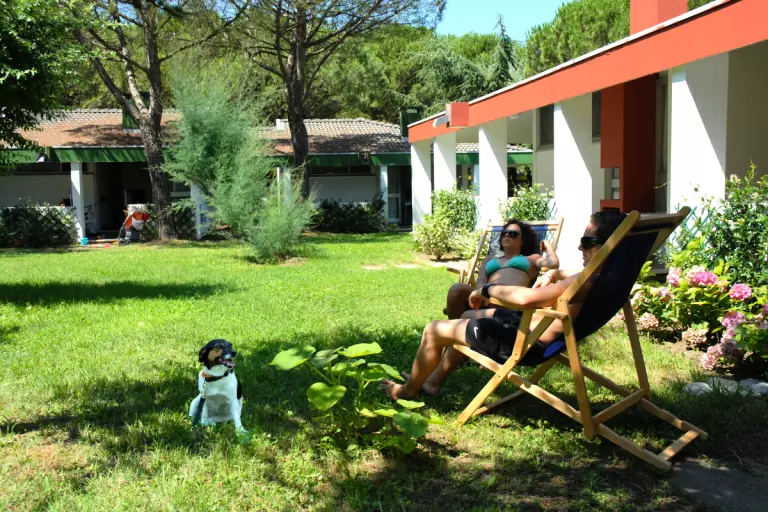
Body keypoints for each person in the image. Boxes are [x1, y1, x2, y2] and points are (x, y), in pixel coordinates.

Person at [382, 211, 627, 400]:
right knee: (465, 319)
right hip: (535, 333)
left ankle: (407, 391)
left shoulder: (583, 280)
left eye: (587, 241)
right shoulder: (605, 278)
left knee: (434, 330)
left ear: (608, 245)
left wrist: (486, 290)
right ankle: (431, 382)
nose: (580, 247)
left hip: (523, 341)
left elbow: (526, 299)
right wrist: (554, 275)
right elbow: (562, 276)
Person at [444, 219, 559, 320]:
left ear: (522, 241)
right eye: (504, 233)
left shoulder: (531, 258)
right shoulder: (489, 259)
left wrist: (548, 246)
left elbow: (553, 264)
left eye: (513, 234)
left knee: (465, 315)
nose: (507, 235)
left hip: (511, 301)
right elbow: (481, 281)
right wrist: (483, 294)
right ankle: (455, 332)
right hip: (487, 299)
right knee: (456, 289)